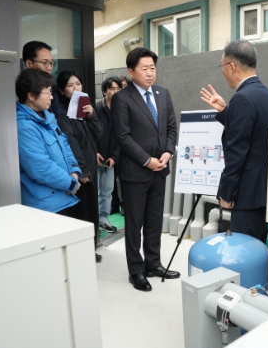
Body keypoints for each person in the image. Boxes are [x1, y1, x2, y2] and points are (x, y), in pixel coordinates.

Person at [111, 48, 178, 292]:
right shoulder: (122, 98)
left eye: (152, 68)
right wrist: (147, 160)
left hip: (160, 169)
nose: (150, 73)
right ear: (131, 72)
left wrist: (168, 152)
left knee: (153, 221)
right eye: (144, 69)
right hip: (135, 173)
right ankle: (136, 271)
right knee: (134, 224)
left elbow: (171, 128)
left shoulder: (163, 93)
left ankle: (153, 263)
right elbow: (123, 136)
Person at [199, 40, 268, 243]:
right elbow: (254, 133)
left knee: (242, 251)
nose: (222, 71)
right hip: (263, 191)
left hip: (246, 194)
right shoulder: (267, 94)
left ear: (232, 66)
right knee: (257, 250)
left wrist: (227, 192)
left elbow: (237, 152)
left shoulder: (242, 98)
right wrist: (225, 111)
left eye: (222, 66)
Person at [15, 68, 82, 215]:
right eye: (48, 92)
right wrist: (70, 183)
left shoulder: (48, 117)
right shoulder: (24, 126)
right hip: (45, 205)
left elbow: (65, 145)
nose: (51, 97)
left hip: (62, 195)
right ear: (31, 95)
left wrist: (74, 172)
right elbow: (41, 167)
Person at [54, 70, 104, 262]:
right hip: (79, 172)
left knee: (92, 212)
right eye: (70, 85)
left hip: (90, 168)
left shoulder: (83, 109)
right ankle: (81, 254)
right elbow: (71, 142)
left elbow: (98, 134)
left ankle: (90, 250)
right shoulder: (62, 113)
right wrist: (82, 170)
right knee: (80, 214)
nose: (75, 88)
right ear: (61, 90)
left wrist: (92, 116)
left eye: (78, 83)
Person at [94, 77, 122, 234]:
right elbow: (88, 134)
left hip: (109, 159)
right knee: (94, 192)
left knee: (107, 191)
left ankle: (103, 219)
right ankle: (93, 221)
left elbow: (122, 137)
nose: (116, 92)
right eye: (112, 89)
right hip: (95, 157)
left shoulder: (121, 111)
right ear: (104, 91)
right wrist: (94, 152)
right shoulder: (96, 108)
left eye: (118, 89)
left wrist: (114, 157)